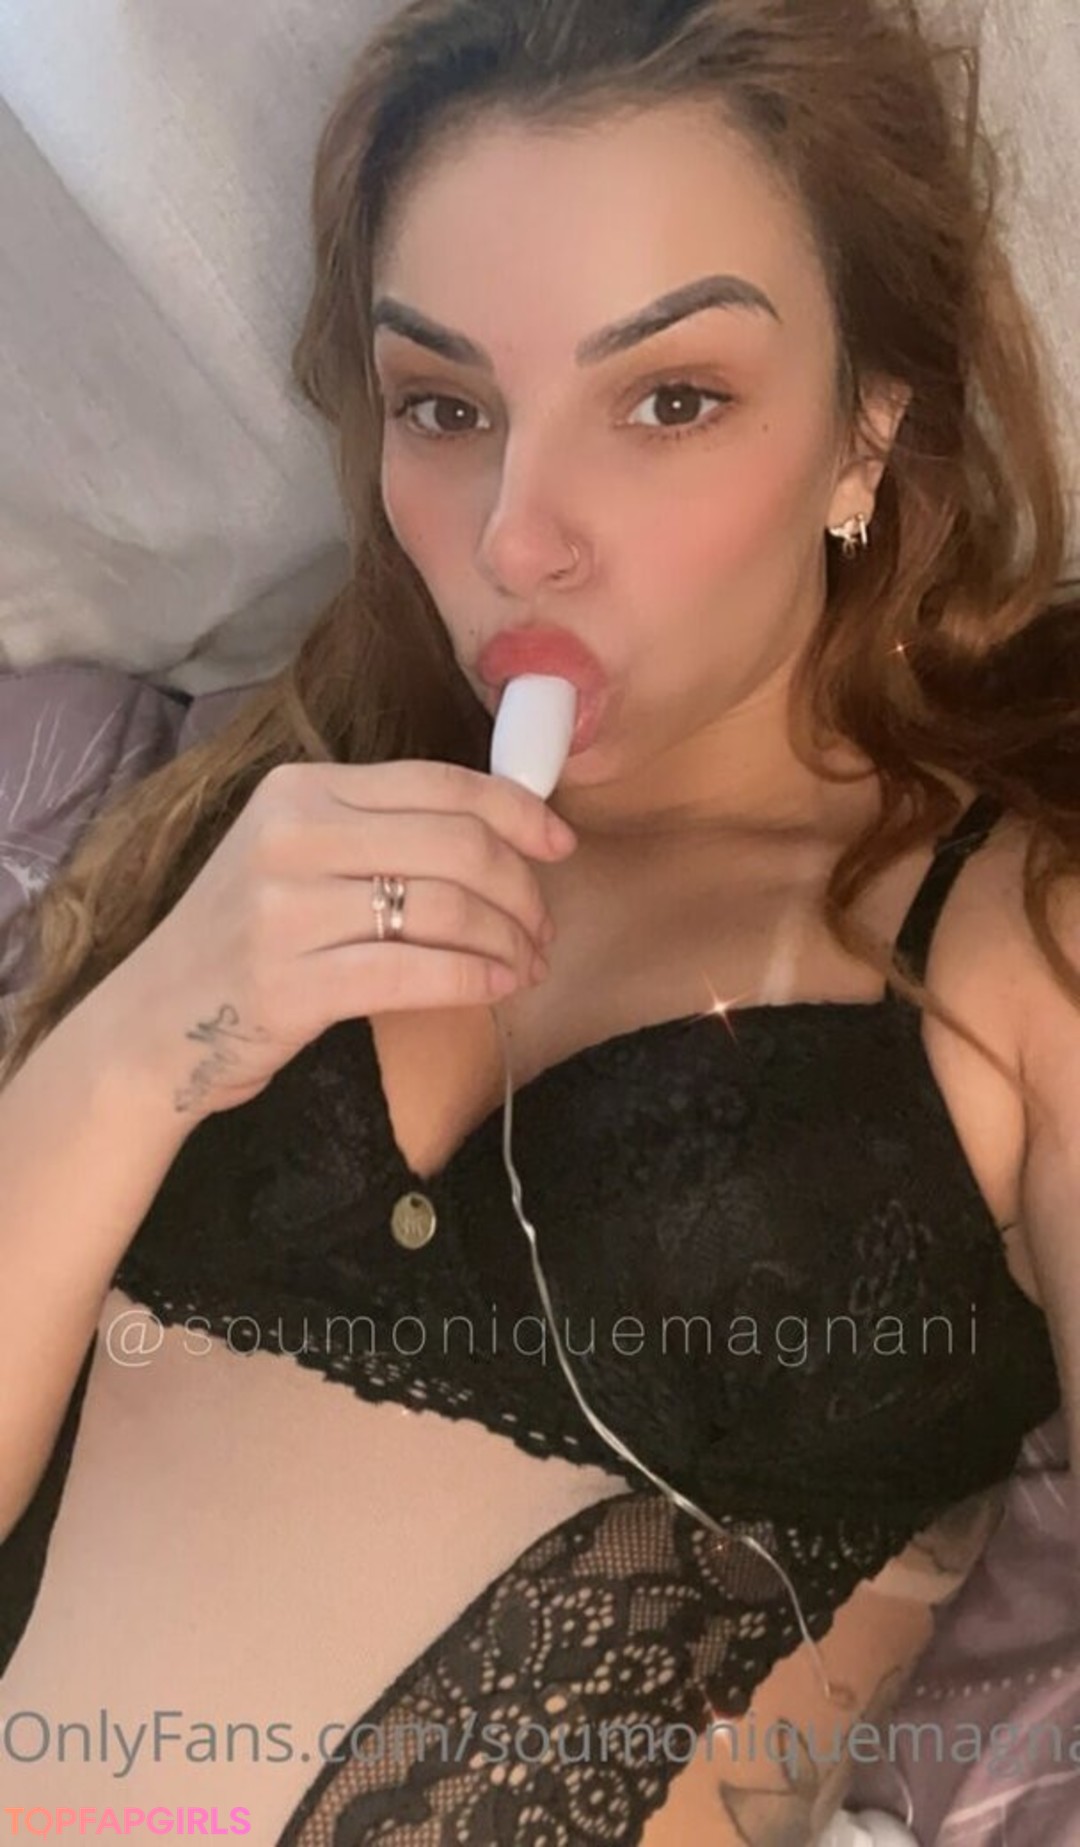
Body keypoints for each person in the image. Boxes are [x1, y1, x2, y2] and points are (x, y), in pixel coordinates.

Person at [0, 0, 1077, 1839]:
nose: (516, 536)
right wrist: (141, 1038)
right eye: (447, 407)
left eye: (670, 400)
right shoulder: (268, 834)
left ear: (866, 430)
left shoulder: (1011, 936)